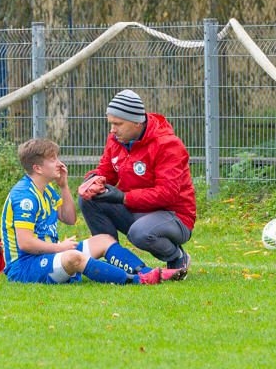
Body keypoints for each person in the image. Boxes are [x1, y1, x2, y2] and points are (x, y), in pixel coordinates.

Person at [1, 138, 186, 285]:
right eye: (53, 159)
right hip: (25, 267)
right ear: (37, 168)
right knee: (73, 257)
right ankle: (139, 280)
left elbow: (70, 218)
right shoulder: (25, 197)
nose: (59, 163)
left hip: (48, 255)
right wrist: (60, 248)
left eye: (57, 157)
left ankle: (147, 272)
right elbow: (25, 243)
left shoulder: (46, 189)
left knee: (104, 240)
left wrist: (64, 186)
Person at [78, 90, 195, 275]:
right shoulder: (116, 139)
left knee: (140, 233)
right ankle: (116, 259)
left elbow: (167, 194)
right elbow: (107, 170)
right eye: (111, 123)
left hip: (174, 216)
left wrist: (124, 197)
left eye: (118, 124)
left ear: (137, 122)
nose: (112, 130)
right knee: (89, 199)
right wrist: (93, 179)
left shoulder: (168, 145)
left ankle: (176, 256)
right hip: (137, 210)